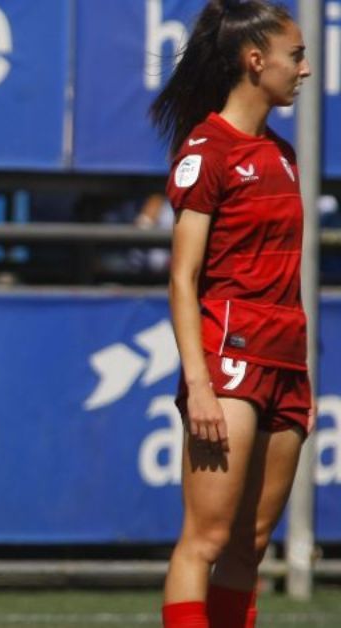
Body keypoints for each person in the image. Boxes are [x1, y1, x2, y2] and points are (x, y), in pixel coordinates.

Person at [149, 1, 314, 626]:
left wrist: (300, 376)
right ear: (255, 61)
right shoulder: (207, 149)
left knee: (249, 548)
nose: (303, 69)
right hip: (231, 358)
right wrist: (199, 384)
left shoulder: (282, 154)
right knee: (206, 540)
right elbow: (183, 278)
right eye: (294, 55)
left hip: (284, 362)